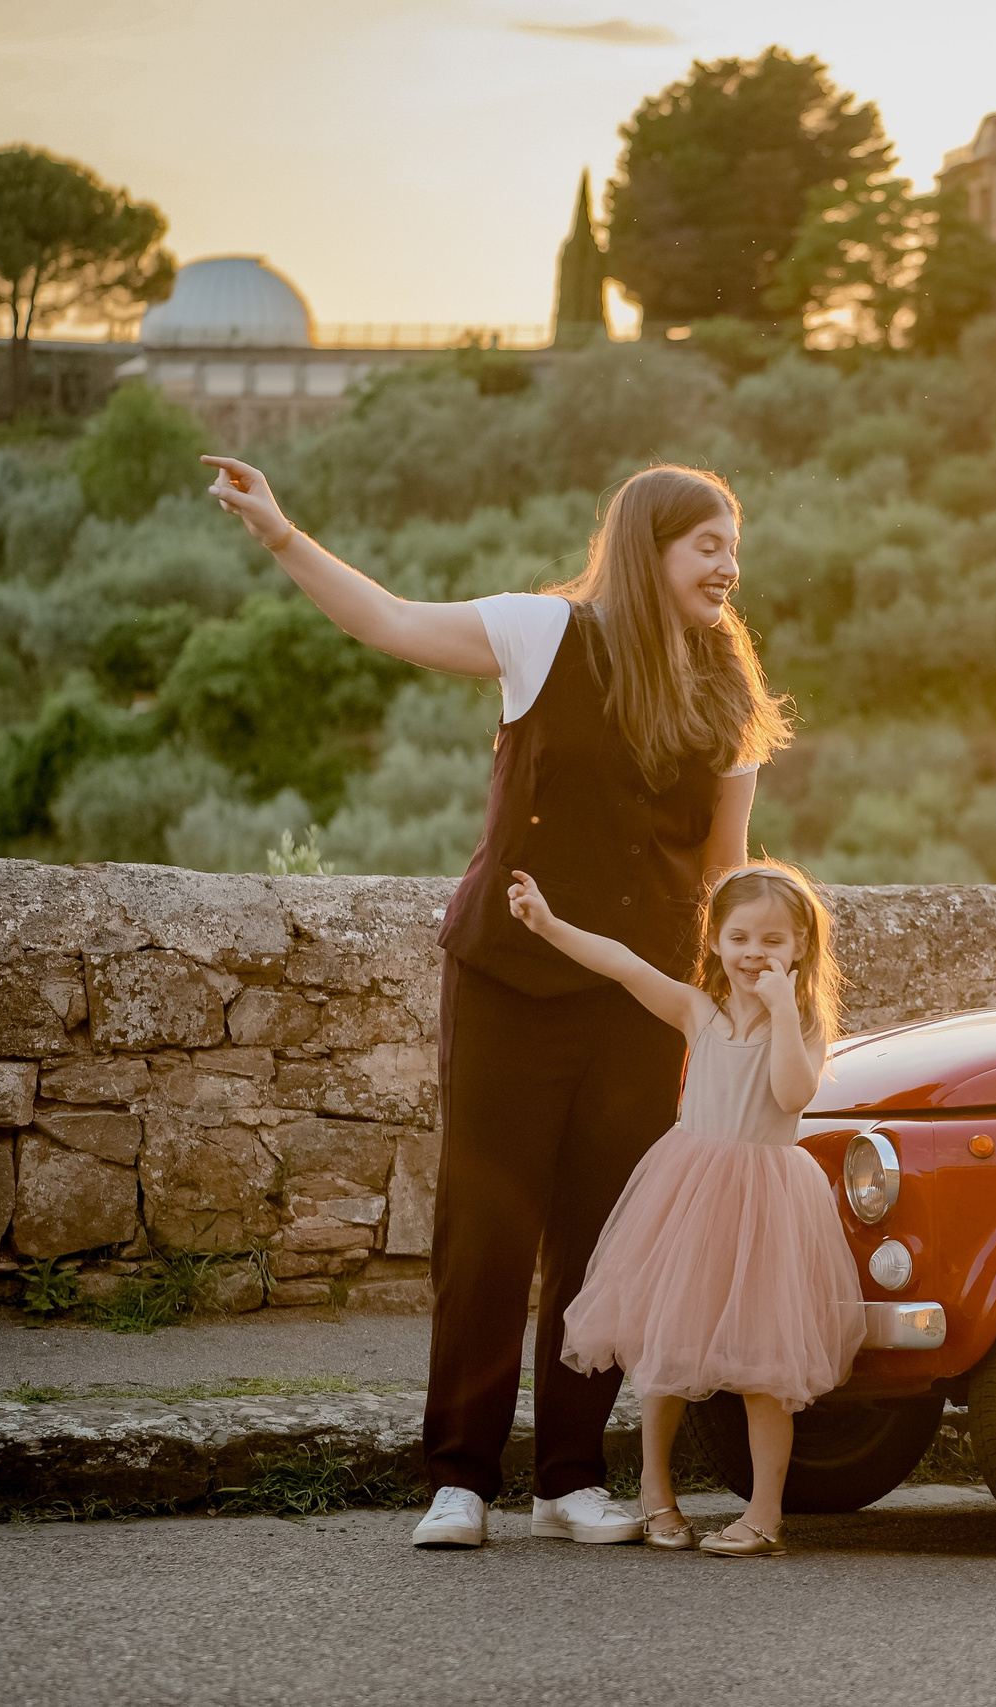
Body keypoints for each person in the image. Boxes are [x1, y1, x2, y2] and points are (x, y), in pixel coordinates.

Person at [200, 455, 793, 1550]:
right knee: (486, 1228)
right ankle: (459, 1480)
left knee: (601, 1232)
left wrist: (739, 1004)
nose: (729, 562)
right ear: (649, 545)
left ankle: (570, 1479)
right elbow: (385, 619)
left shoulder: (731, 693)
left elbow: (723, 868)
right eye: (707, 541)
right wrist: (281, 533)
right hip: (507, 980)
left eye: (733, 542)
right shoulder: (542, 634)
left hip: (635, 996)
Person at [508, 860, 863, 1558]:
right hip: (691, 1193)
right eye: (739, 936)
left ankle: (764, 1516)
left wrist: (786, 1011)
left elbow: (792, 1095)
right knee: (665, 1351)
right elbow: (623, 964)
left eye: (772, 939)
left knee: (768, 1367)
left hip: (767, 1204)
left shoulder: (805, 1024)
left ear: (799, 950)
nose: (754, 952)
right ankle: (656, 1495)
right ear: (716, 943)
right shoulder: (700, 1013)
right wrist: (548, 924)